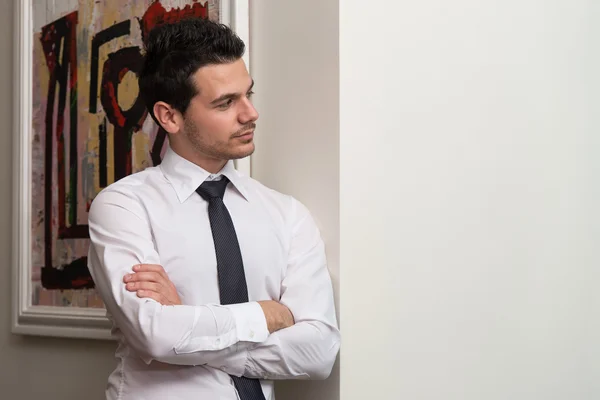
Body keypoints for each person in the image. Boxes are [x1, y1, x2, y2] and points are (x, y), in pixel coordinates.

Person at [87, 17, 340, 400]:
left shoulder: (286, 214)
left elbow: (319, 353)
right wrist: (268, 315)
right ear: (169, 116)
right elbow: (155, 335)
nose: (249, 114)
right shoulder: (123, 206)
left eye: (248, 95)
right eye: (225, 103)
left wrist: (190, 327)